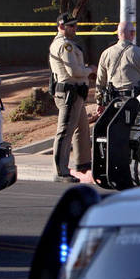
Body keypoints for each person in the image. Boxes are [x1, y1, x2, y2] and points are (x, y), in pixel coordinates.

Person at [48, 12, 94, 183]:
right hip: (69, 92)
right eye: (71, 26)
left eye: (75, 25)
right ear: (61, 26)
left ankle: (83, 164)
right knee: (65, 131)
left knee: (81, 129)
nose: (75, 29)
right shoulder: (64, 46)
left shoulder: (67, 44)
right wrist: (91, 70)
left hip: (76, 93)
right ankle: (60, 170)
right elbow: (73, 71)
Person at [96, 22, 140, 107]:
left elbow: (100, 81)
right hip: (134, 100)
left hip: (112, 102)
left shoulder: (106, 53)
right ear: (132, 33)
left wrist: (99, 102)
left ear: (118, 34)